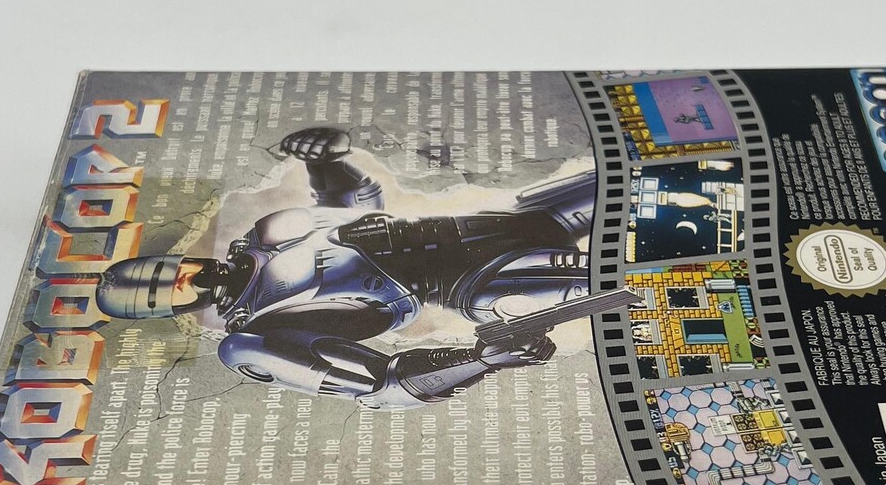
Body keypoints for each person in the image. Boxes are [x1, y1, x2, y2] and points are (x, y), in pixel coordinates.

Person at [94, 126, 596, 409]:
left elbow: (352, 208)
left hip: (501, 221)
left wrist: (325, 161)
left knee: (626, 181)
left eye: (164, 269)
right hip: (483, 279)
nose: (179, 277)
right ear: (167, 310)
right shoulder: (253, 334)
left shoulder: (266, 234)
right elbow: (379, 384)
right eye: (163, 290)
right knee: (619, 273)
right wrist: (480, 360)